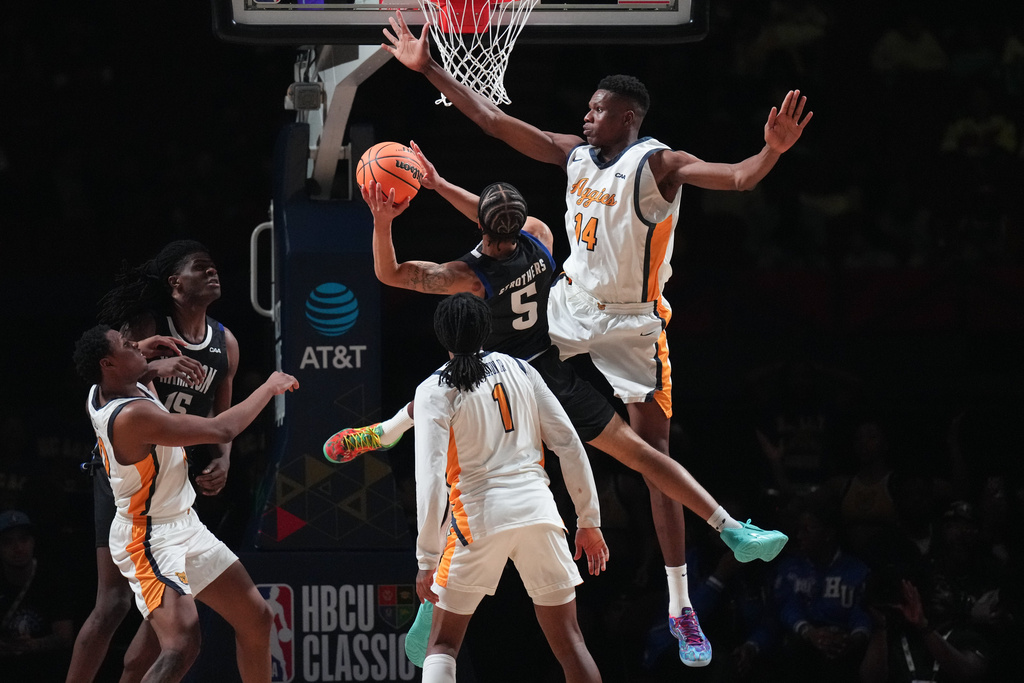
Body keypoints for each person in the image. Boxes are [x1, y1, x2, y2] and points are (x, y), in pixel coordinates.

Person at [381, 11, 812, 667]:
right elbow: (493, 121)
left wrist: (771, 152)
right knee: (477, 413)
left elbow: (737, 178)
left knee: (651, 453)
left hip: (633, 322)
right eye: (586, 107)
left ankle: (682, 604)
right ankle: (433, 578)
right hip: (568, 309)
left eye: (598, 109)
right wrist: (430, 68)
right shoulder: (574, 156)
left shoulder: (660, 163)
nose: (586, 116)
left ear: (628, 116)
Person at [327, 143, 789, 666]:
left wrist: (383, 219)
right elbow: (496, 216)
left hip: (495, 382)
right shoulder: (541, 239)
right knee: (644, 457)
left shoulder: (468, 276)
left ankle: (390, 453)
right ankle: (730, 526)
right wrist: (440, 185)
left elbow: (392, 274)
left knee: (458, 472)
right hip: (549, 375)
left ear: (480, 225)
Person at [71, 324, 298, 682]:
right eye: (128, 345)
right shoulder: (131, 416)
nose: (138, 346)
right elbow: (222, 429)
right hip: (149, 538)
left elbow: (132, 365)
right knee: (182, 645)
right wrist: (269, 387)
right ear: (108, 364)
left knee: (257, 618)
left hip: (184, 524)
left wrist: (146, 358)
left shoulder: (99, 390)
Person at [412, 292, 608, 683]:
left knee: (443, 645)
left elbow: (431, 480)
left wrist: (426, 558)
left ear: (441, 335)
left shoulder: (433, 389)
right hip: (540, 513)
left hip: (477, 520)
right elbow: (568, 443)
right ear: (487, 329)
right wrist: (589, 520)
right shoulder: (521, 369)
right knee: (571, 643)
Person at [67, 240, 240, 683]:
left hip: (173, 480)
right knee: (113, 604)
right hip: (127, 476)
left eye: (214, 266)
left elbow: (220, 416)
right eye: (201, 267)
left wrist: (223, 460)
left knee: (167, 600)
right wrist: (151, 367)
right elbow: (110, 380)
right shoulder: (148, 325)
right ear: (175, 283)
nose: (212, 272)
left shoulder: (225, 342)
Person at [0, 509, 74, 682]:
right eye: (8, 542)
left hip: (44, 671)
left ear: (33, 542)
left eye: (23, 539)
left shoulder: (51, 580)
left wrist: (34, 645)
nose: (18, 548)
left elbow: (65, 636)